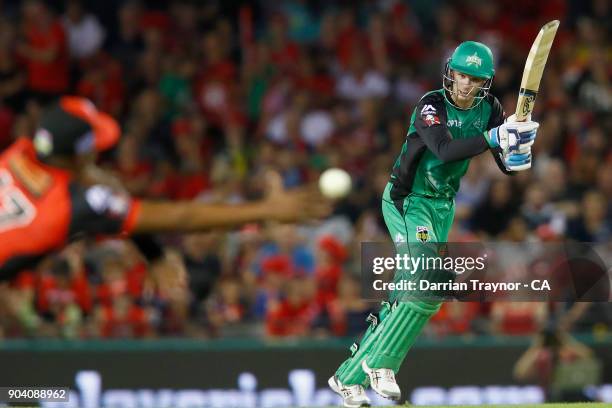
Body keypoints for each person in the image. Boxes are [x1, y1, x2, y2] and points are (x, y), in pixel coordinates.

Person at [328, 41, 540, 407]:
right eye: (461, 75)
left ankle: (347, 377)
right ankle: (381, 365)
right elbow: (444, 149)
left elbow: (505, 163)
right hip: (408, 200)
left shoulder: (489, 108)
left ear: (484, 83)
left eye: (475, 79)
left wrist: (518, 149)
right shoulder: (431, 105)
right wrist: (495, 136)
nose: (465, 85)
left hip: (442, 207)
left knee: (422, 293)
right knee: (426, 280)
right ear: (450, 72)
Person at [0, 96, 330, 281]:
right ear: (82, 152)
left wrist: (154, 255)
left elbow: (98, 183)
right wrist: (267, 209)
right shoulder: (72, 206)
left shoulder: (20, 152)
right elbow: (181, 216)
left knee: (25, 398)